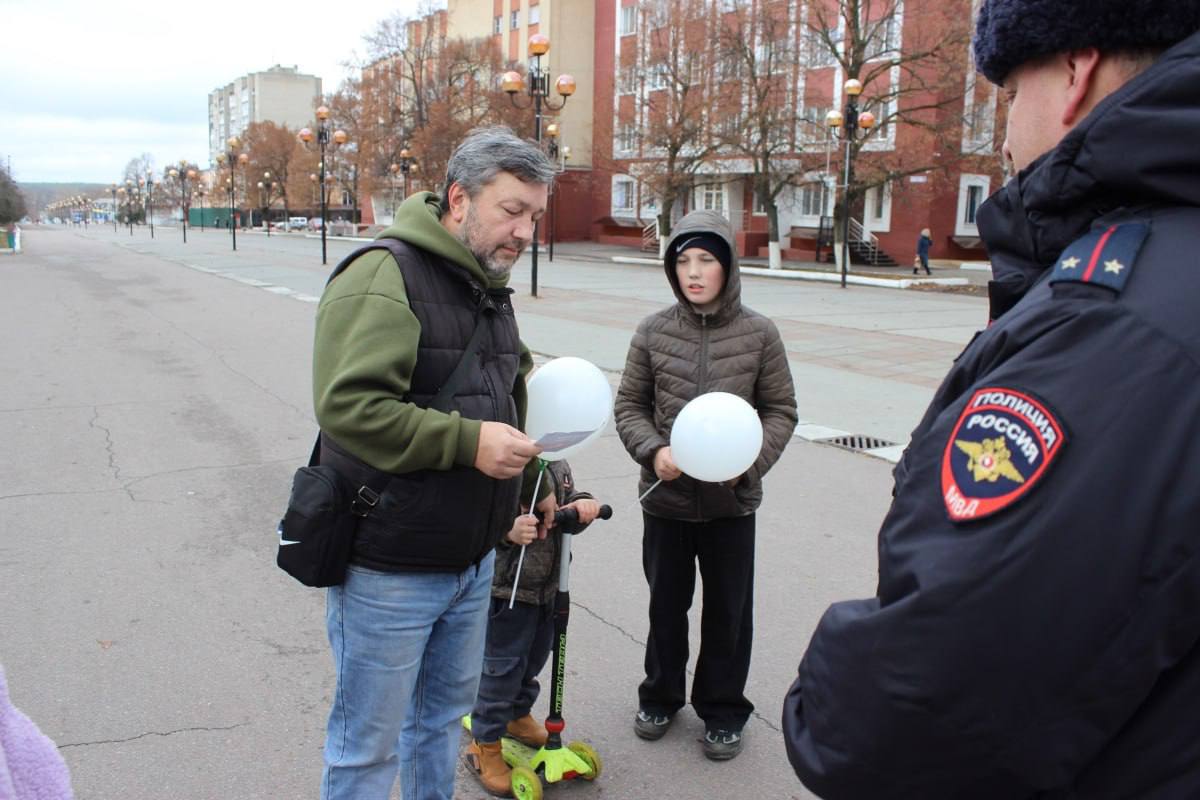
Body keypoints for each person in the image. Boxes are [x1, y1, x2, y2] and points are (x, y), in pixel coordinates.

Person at [784, 2, 1200, 797]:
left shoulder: (1116, 326)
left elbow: (919, 711)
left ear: (1074, 74)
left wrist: (821, 701)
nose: (1005, 134)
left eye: (1010, 91)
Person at [312, 126, 558, 800]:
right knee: (367, 748)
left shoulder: (487, 287)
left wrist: (534, 481)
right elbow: (349, 407)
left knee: (440, 727)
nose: (525, 232)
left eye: (534, 215)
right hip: (389, 566)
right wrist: (469, 442)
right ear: (459, 199)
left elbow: (503, 403)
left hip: (472, 560)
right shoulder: (384, 273)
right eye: (512, 210)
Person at [614, 210, 797, 761]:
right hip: (666, 500)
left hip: (731, 504)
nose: (694, 272)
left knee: (728, 611)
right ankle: (660, 696)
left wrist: (750, 463)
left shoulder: (759, 333)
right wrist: (654, 450)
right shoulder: (652, 330)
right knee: (665, 605)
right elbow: (629, 406)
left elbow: (781, 410)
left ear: (728, 266)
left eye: (706, 260)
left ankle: (722, 709)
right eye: (683, 261)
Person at [465, 460, 602, 795]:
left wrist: (583, 505)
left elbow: (566, 503)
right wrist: (507, 532)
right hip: (507, 590)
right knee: (501, 670)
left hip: (549, 589)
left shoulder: (557, 458)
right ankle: (486, 744)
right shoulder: (502, 459)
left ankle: (517, 715)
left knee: (534, 660)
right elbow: (474, 516)